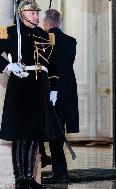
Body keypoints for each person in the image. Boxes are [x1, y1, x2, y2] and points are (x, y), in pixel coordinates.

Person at [0, 1, 59, 189]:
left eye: (36, 13)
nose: (36, 15)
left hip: (38, 87)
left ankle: (29, 176)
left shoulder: (43, 35)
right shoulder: (10, 32)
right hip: (20, 86)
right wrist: (8, 66)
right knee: (20, 135)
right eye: (32, 12)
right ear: (22, 14)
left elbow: (52, 64)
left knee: (33, 134)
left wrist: (54, 88)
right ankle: (20, 178)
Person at [41, 9, 79, 184]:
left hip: (53, 89)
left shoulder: (46, 40)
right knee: (59, 130)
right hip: (69, 91)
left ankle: (60, 170)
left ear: (47, 22)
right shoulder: (72, 42)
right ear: (60, 22)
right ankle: (56, 167)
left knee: (54, 132)